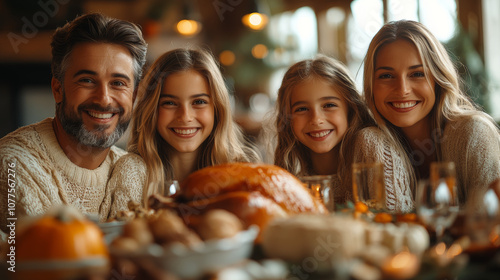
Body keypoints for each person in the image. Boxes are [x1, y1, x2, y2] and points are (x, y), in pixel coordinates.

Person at [0, 13, 147, 231]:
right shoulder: (12, 166)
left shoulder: (135, 169)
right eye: (87, 80)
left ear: (133, 97)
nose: (104, 99)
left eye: (118, 83)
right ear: (58, 89)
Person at [103, 48, 261, 218]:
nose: (185, 117)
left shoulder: (241, 171)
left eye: (199, 102)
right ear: (151, 110)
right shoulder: (132, 171)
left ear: (218, 109)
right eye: (170, 103)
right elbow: (126, 239)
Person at [362, 20, 500, 209]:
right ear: (371, 87)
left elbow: (491, 226)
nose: (402, 90)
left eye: (417, 74)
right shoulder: (372, 143)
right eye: (386, 76)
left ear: (438, 79)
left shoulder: (473, 133)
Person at [273, 55, 413, 212]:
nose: (316, 119)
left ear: (351, 108)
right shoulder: (291, 170)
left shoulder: (371, 144)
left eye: (329, 105)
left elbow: (393, 221)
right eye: (302, 109)